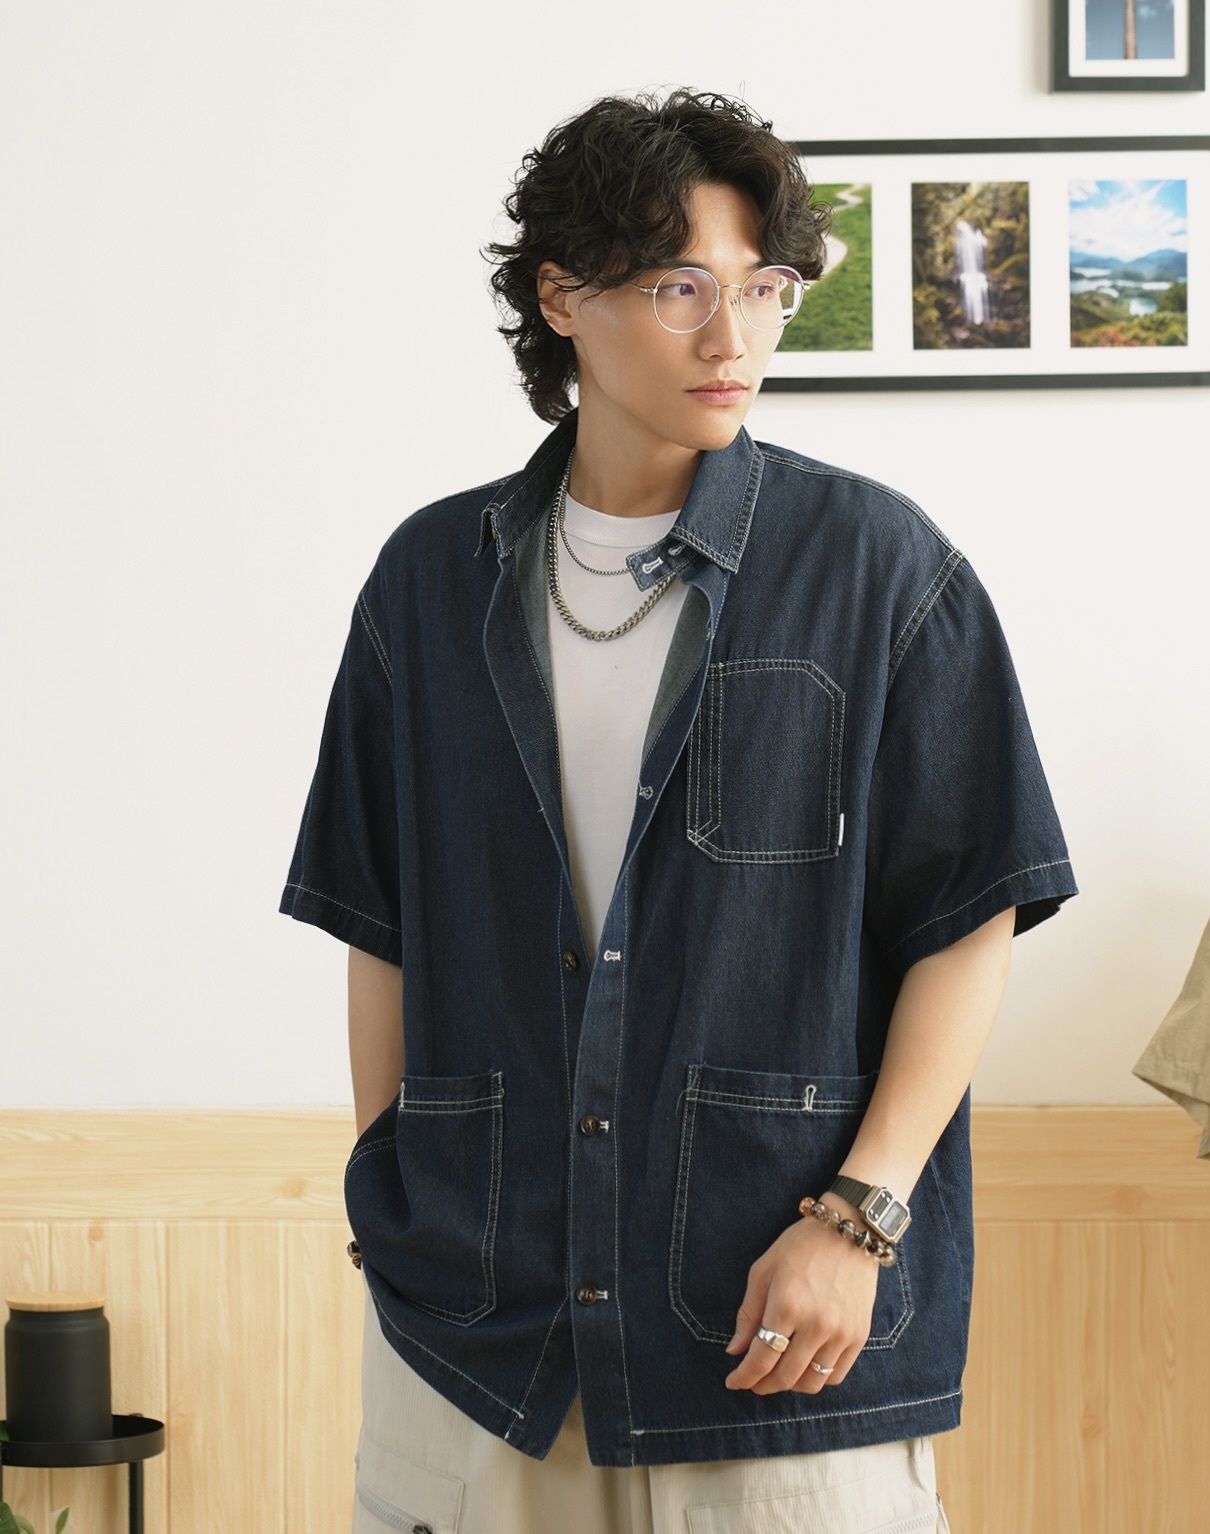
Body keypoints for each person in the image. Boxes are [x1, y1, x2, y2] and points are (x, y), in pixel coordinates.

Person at [280, 89, 1077, 1534]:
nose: (734, 339)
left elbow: (970, 919)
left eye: (763, 289)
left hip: (777, 1335)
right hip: (478, 1343)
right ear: (562, 298)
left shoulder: (881, 569)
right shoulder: (428, 581)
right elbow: (377, 923)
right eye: (680, 288)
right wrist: (398, 1202)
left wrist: (863, 1216)